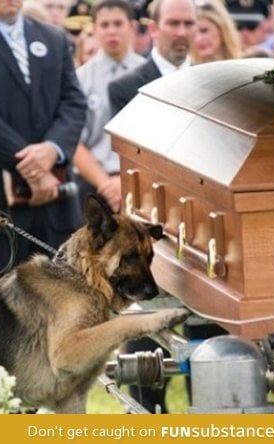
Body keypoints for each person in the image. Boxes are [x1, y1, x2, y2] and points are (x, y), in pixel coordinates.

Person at [107, 0, 196, 413]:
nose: (182, 31)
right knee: (148, 331)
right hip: (150, 224)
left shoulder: (207, 81)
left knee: (205, 331)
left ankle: (211, 411)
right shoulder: (127, 86)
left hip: (200, 229)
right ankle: (149, 418)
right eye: (173, 23)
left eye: (189, 24)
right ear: (154, 28)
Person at [0, 0, 86, 275]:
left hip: (56, 198)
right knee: (1, 302)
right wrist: (33, 166)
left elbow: (73, 102)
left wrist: (52, 149)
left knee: (67, 292)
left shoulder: (54, 38)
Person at [74, 0, 146, 212]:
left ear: (131, 27)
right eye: (105, 25)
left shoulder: (148, 74)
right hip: (95, 184)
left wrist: (127, 182)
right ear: (94, 29)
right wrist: (107, 185)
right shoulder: (80, 78)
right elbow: (75, 142)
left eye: (118, 23)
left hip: (143, 183)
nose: (111, 31)